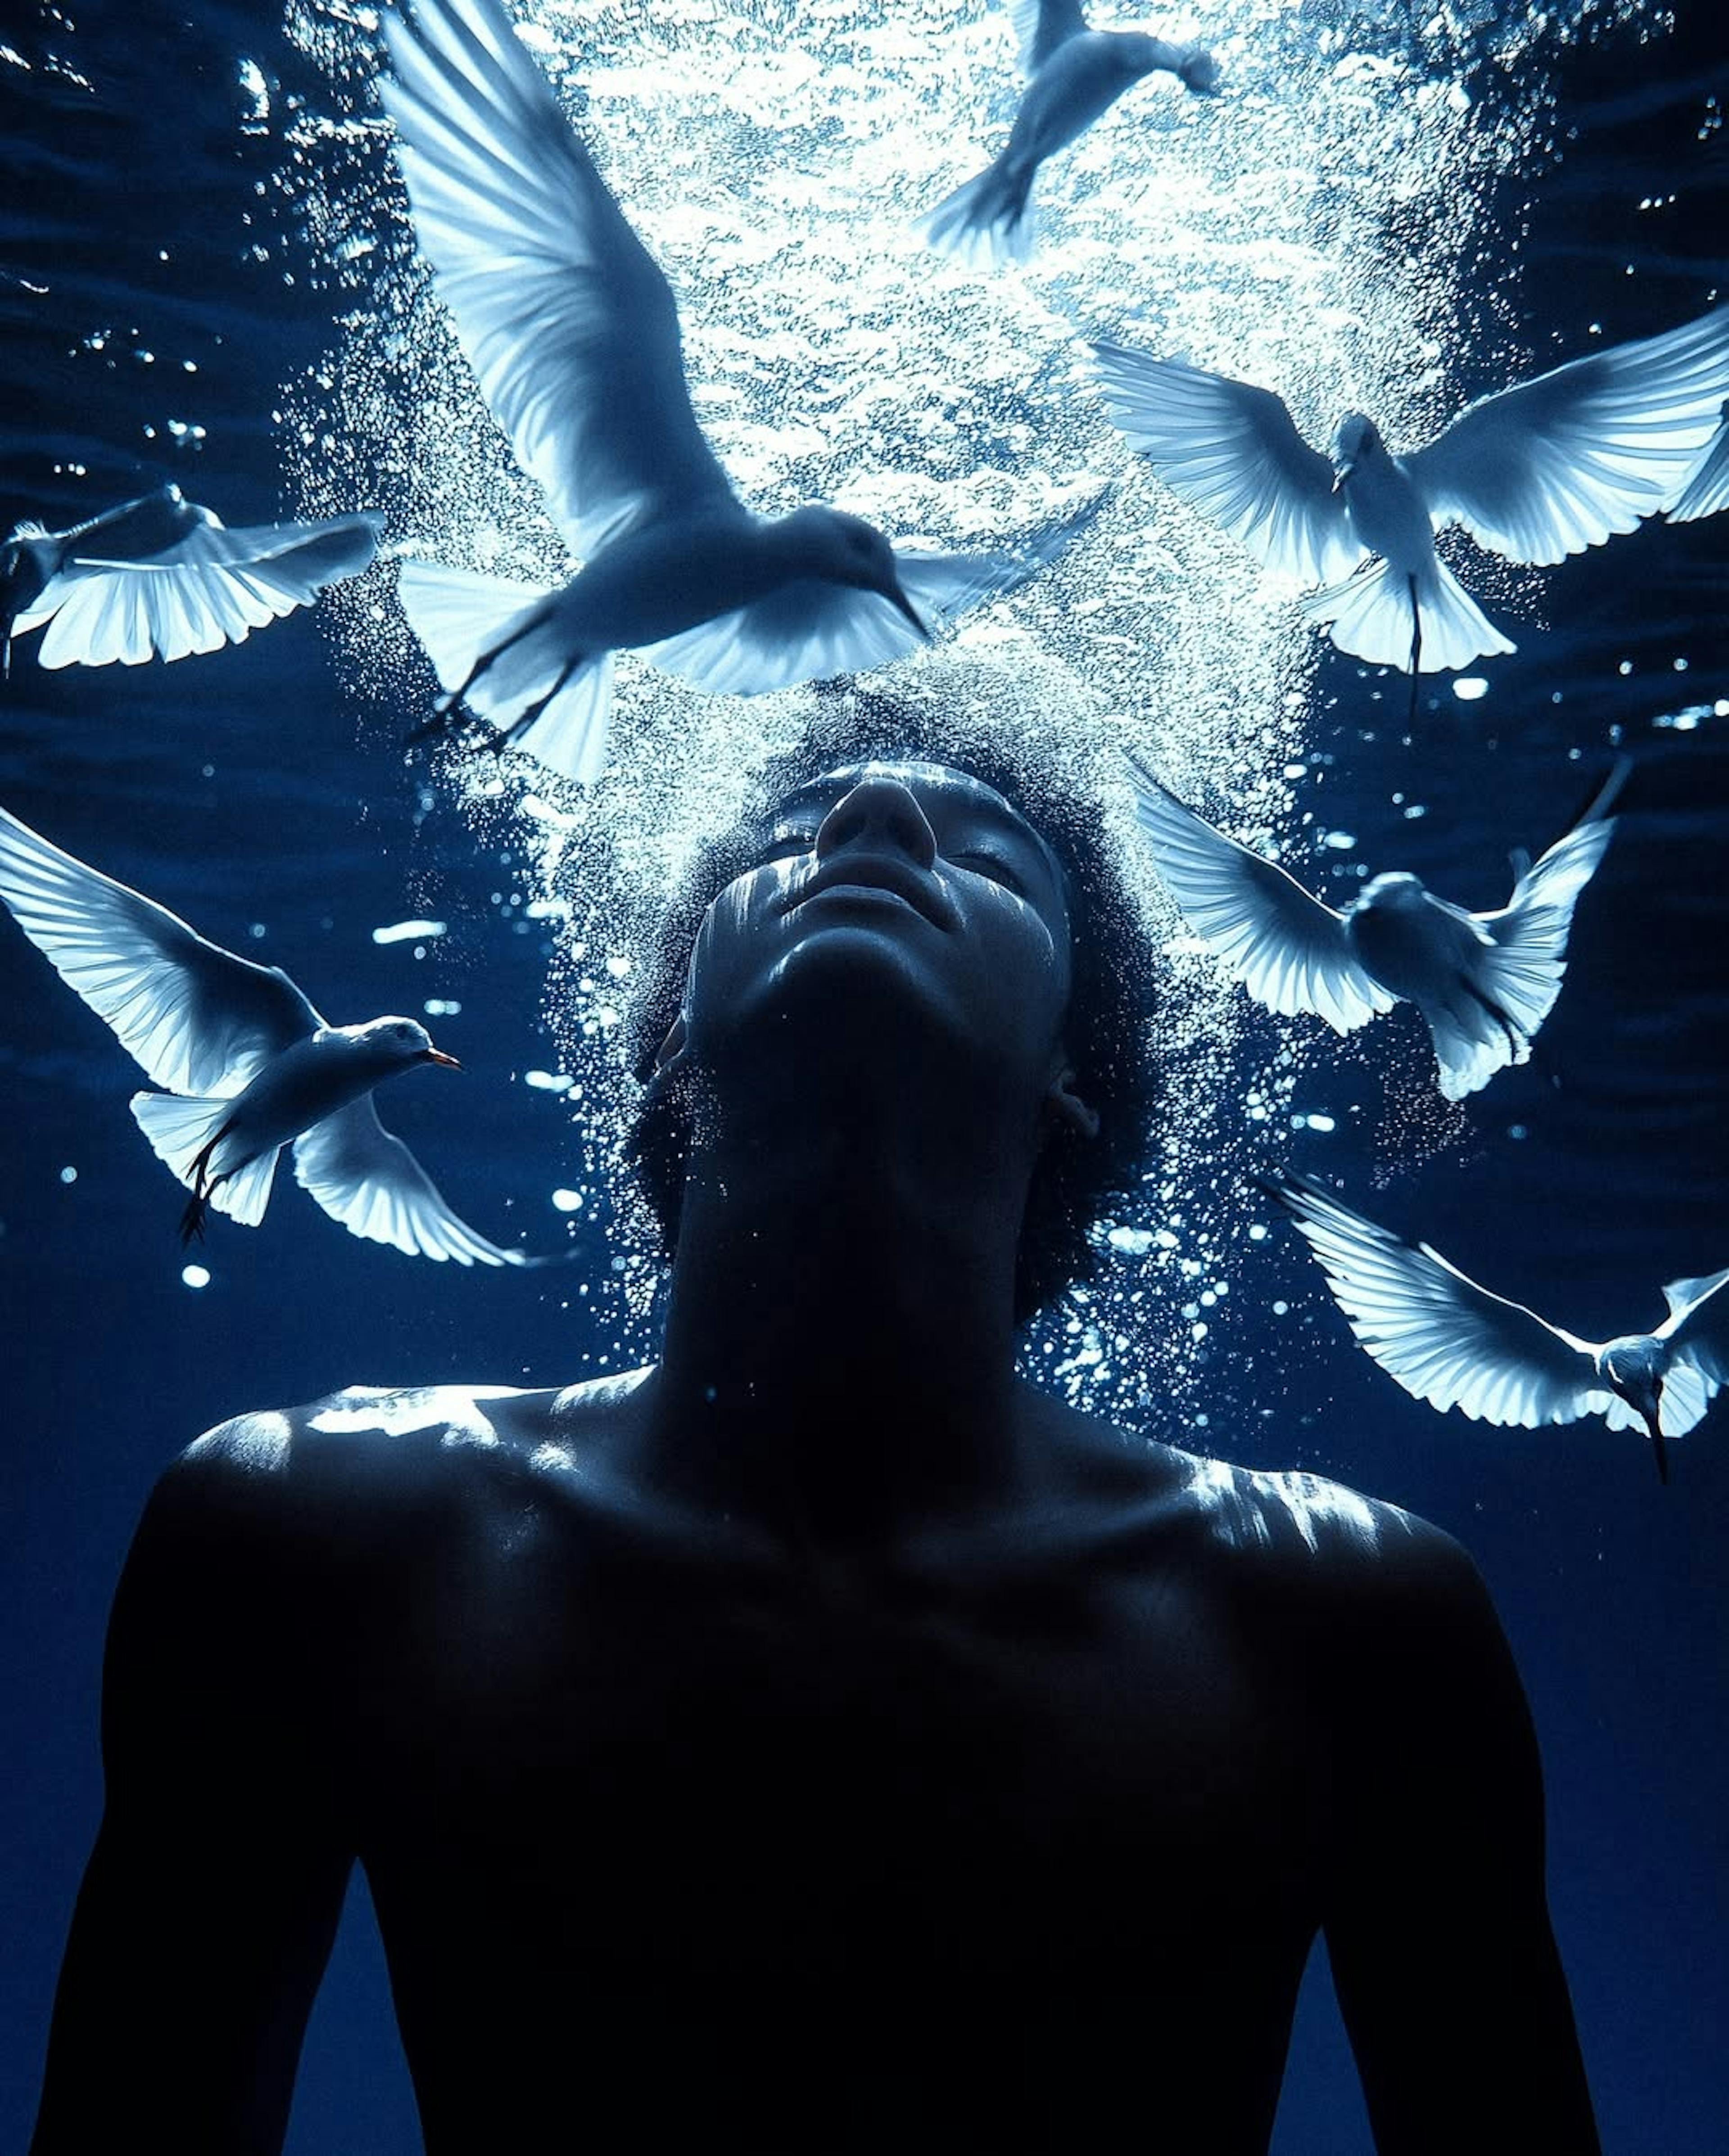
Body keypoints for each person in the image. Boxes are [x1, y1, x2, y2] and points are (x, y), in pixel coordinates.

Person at [30, 700, 1598, 2154]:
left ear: (1079, 1071)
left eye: (994, 857)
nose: (863, 826)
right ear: (661, 1045)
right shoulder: (299, 1532)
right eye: (783, 838)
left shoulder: (1359, 1625)